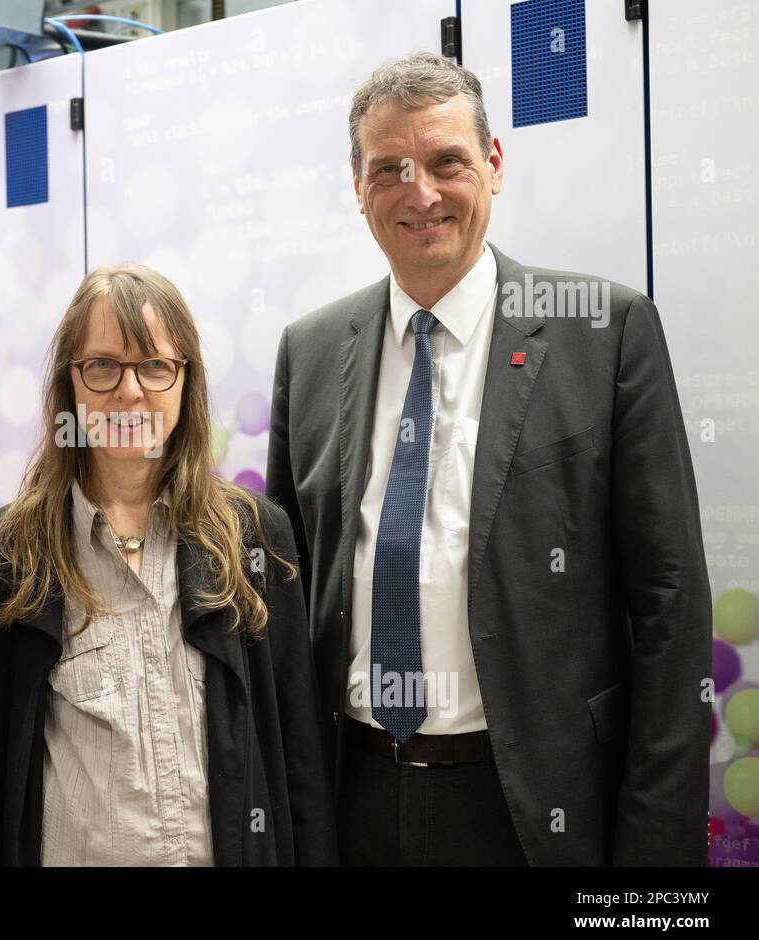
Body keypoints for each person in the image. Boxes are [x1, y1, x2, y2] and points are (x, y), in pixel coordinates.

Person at [265, 52, 710, 865]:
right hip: (353, 799)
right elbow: (288, 611)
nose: (420, 193)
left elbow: (671, 611)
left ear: (493, 165)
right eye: (389, 169)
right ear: (358, 187)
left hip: (535, 810)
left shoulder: (604, 334)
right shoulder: (311, 351)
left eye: (446, 163)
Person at [0, 264, 335, 866]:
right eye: (101, 365)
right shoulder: (4, 555)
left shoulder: (254, 539)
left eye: (155, 365)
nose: (129, 391)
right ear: (68, 386)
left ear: (186, 382)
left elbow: (299, 758)